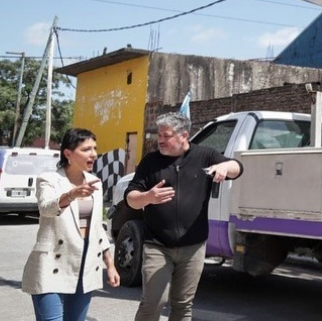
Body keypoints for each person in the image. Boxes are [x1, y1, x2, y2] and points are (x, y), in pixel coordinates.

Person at [126, 112, 243, 321]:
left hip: (193, 246)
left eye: (166, 135)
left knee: (183, 305)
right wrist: (147, 197)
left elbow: (237, 168)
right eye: (159, 135)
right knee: (154, 301)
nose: (160, 140)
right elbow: (130, 198)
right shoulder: (150, 162)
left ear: (184, 136)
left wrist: (225, 166)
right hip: (157, 245)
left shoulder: (205, 155)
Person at [22, 128, 120, 321]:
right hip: (52, 262)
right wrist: (71, 194)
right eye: (86, 149)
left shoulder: (95, 183)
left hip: (86, 262)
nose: (93, 154)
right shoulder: (49, 179)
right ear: (68, 153)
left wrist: (110, 264)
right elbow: (46, 208)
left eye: (94, 148)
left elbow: (97, 227)